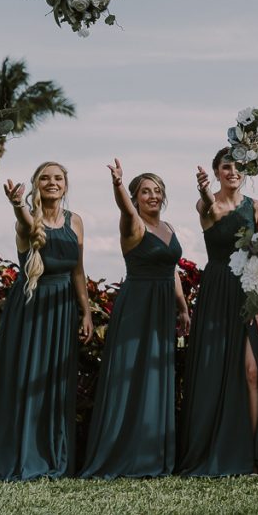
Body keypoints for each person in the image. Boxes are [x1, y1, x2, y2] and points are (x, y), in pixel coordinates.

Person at [0, 161, 93, 480]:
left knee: (56, 383)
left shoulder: (76, 221)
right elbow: (29, 226)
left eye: (58, 178)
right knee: (27, 381)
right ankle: (26, 457)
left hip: (64, 307)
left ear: (65, 185)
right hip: (32, 307)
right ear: (36, 185)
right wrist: (15, 204)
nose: (52, 182)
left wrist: (87, 311)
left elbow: (78, 270)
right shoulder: (27, 221)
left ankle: (55, 456)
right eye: (45, 178)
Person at [81, 161, 191, 478]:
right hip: (138, 307)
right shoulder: (133, 225)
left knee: (156, 376)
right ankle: (122, 452)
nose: (152, 196)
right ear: (135, 197)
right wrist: (118, 184)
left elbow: (172, 271)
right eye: (145, 191)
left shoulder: (168, 228)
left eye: (157, 191)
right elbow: (126, 210)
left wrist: (182, 307)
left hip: (162, 309)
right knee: (129, 376)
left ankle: (153, 453)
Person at [178, 148, 258, 476]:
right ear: (217, 171)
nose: (233, 171)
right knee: (213, 369)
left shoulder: (257, 208)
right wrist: (203, 188)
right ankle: (214, 449)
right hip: (218, 290)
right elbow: (210, 207)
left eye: (239, 166)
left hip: (248, 292)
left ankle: (256, 455)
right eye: (226, 167)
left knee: (253, 371)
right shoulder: (208, 204)